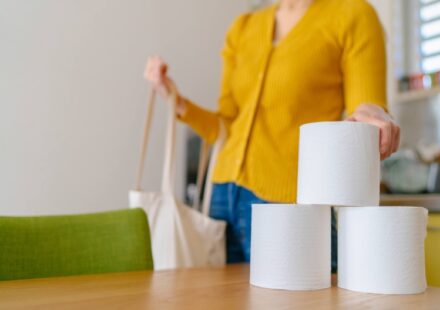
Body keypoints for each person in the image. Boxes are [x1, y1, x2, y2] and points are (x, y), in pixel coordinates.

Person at [143, 0, 400, 271]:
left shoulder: (352, 15)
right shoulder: (242, 28)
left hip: (289, 202)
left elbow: (366, 105)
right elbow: (226, 126)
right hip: (222, 198)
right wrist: (176, 100)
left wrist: (374, 114)